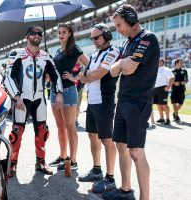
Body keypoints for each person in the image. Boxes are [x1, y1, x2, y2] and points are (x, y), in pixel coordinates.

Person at [104, 5, 160, 200]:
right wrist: (119, 64)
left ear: (131, 18)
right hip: (123, 100)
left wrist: (119, 66)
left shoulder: (147, 38)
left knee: (136, 152)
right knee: (120, 145)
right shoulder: (126, 43)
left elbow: (129, 69)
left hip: (139, 101)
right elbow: (112, 71)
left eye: (119, 25)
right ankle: (125, 190)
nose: (117, 29)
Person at [4, 25, 63, 177]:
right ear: (27, 36)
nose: (37, 35)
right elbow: (8, 77)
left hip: (39, 99)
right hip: (21, 100)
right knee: (16, 132)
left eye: (39, 34)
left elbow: (55, 75)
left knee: (43, 131)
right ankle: (12, 163)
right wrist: (16, 97)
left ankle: (41, 162)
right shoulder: (17, 53)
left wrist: (59, 93)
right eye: (33, 33)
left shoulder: (45, 56)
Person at [78, 23, 119, 194]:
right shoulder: (94, 55)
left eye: (96, 37)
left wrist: (86, 77)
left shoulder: (113, 52)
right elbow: (82, 77)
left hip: (105, 101)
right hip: (92, 102)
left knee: (107, 140)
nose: (94, 40)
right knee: (92, 136)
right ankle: (97, 170)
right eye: (91, 38)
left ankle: (110, 178)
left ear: (107, 36)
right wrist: (86, 77)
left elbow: (96, 74)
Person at [48, 23, 89, 172]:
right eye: (59, 32)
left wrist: (76, 77)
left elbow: (89, 63)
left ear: (70, 33)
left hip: (68, 90)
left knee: (70, 126)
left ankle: (73, 160)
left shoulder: (74, 49)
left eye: (64, 32)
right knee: (60, 126)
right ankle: (63, 156)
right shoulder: (58, 50)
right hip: (54, 91)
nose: (61, 35)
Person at [153, 58, 174, 125]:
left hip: (163, 89)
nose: (156, 62)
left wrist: (168, 87)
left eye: (158, 61)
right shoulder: (155, 69)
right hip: (155, 89)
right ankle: (162, 118)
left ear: (162, 62)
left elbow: (172, 78)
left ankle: (168, 119)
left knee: (164, 104)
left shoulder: (166, 69)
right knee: (158, 104)